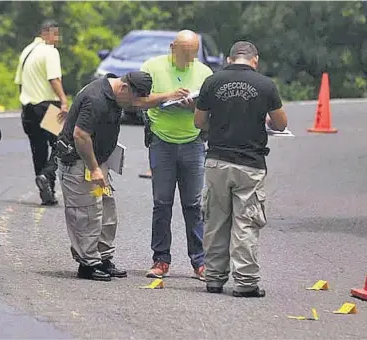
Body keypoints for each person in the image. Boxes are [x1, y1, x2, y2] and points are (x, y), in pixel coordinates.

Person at [194, 41, 288, 297]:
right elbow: (280, 124)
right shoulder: (265, 85)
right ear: (255, 60)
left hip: (217, 161)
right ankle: (245, 283)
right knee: (245, 224)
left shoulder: (212, 82)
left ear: (228, 58)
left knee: (215, 221)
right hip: (250, 164)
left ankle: (213, 279)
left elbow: (199, 121)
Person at [57, 71, 153, 281]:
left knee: (107, 210)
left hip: (99, 163)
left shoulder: (116, 94)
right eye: (134, 99)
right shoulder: (95, 99)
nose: (134, 105)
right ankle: (88, 264)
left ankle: (103, 257)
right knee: (86, 214)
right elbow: (80, 135)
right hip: (81, 163)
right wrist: (94, 168)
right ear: (125, 88)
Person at [134, 30, 213, 280]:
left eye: (193, 53)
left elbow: (210, 111)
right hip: (162, 142)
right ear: (172, 47)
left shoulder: (205, 73)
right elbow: (138, 101)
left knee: (193, 205)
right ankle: (160, 260)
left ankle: (200, 261)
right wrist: (166, 97)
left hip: (192, 142)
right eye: (184, 53)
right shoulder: (152, 67)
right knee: (162, 203)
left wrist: (193, 106)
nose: (189, 58)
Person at [14, 20, 69, 206]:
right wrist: (64, 101)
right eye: (55, 34)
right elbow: (54, 79)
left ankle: (46, 191)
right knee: (62, 144)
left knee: (38, 149)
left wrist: (23, 103)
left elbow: (19, 82)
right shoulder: (50, 51)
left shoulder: (27, 51)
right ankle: (47, 176)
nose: (57, 39)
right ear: (46, 33)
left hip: (28, 107)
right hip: (48, 106)